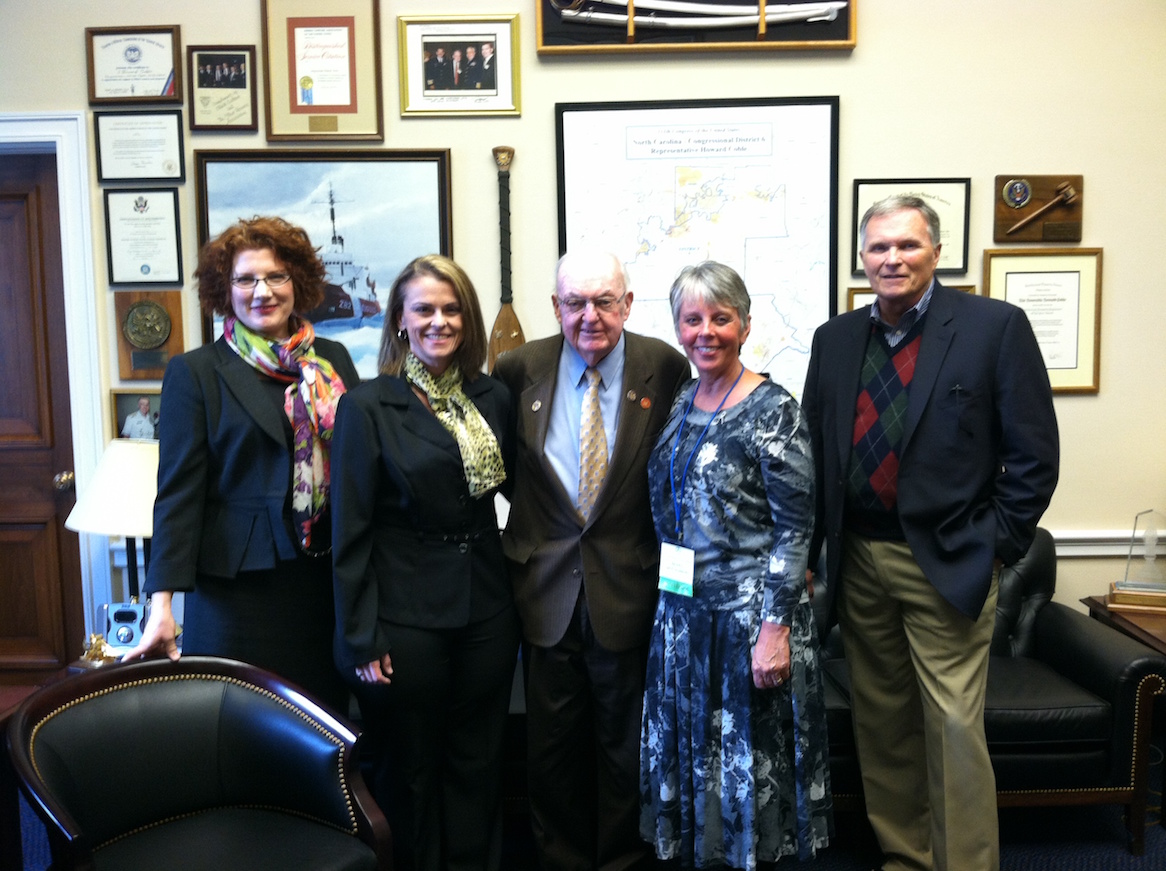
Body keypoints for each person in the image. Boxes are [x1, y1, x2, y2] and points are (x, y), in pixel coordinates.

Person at [802, 195, 1059, 871]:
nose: (892, 258)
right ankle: (906, 857)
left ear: (937, 253)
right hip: (859, 558)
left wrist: (996, 545)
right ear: (862, 258)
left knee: (951, 723)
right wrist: (811, 554)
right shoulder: (834, 339)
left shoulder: (993, 328)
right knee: (882, 721)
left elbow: (1034, 456)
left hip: (948, 558)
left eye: (908, 245)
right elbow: (819, 455)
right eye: (879, 247)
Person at [494, 250, 690, 871]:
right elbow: (510, 473)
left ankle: (622, 862)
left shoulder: (665, 366)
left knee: (625, 749)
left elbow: (673, 471)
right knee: (550, 755)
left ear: (627, 304)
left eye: (604, 301)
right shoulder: (517, 369)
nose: (590, 316)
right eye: (575, 303)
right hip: (545, 590)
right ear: (555, 307)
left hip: (629, 589)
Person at [122, 216, 358, 716]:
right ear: (224, 290)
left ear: (297, 282)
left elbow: (358, 468)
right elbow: (179, 495)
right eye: (245, 279)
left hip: (324, 585)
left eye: (275, 276)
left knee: (321, 729)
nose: (262, 292)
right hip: (236, 596)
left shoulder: (333, 359)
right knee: (237, 731)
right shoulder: (195, 372)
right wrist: (161, 605)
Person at [642, 262, 832, 870]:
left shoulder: (774, 409)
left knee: (747, 767)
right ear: (678, 328)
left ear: (745, 326)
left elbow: (795, 529)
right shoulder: (684, 399)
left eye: (720, 318)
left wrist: (775, 630)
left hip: (750, 623)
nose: (706, 331)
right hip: (683, 614)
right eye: (692, 319)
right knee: (700, 766)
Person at [332, 254, 519, 871]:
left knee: (478, 762)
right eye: (425, 310)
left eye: (452, 309)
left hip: (487, 608)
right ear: (400, 320)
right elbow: (350, 531)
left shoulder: (493, 397)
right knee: (409, 768)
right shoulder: (367, 406)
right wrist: (360, 635)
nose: (439, 321)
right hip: (403, 617)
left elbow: (521, 494)